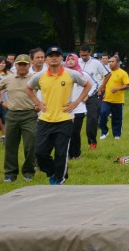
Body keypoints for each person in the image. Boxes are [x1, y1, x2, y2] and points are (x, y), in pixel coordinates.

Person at [27, 46, 93, 185]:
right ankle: (53, 172)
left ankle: (59, 179)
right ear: (46, 59)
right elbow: (28, 88)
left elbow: (88, 85)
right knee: (39, 152)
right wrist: (38, 103)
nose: (54, 58)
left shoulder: (71, 74)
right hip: (45, 119)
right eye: (51, 56)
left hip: (64, 119)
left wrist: (76, 102)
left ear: (62, 58)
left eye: (57, 55)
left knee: (61, 153)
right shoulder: (40, 76)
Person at [0, 55, 38, 182]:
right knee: (10, 145)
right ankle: (10, 174)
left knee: (30, 145)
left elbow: (46, 90)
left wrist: (40, 104)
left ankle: (28, 172)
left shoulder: (35, 78)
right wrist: (1, 102)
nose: (22, 67)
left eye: (25, 64)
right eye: (19, 64)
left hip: (29, 114)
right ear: (16, 65)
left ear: (29, 65)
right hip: (12, 114)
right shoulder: (9, 78)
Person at [77, 45, 109, 151]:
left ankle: (92, 142)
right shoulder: (76, 62)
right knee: (76, 119)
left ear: (90, 53)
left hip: (93, 93)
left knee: (92, 119)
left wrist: (102, 86)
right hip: (78, 94)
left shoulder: (96, 63)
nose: (83, 57)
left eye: (85, 55)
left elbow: (108, 74)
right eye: (82, 55)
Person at [98, 56, 129, 140]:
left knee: (117, 118)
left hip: (118, 100)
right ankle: (104, 132)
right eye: (109, 62)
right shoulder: (107, 73)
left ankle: (117, 134)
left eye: (112, 61)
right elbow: (104, 84)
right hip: (106, 99)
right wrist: (101, 90)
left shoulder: (123, 73)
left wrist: (117, 89)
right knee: (102, 114)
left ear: (118, 63)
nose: (110, 63)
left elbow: (127, 85)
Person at [63, 54, 88, 159]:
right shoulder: (63, 74)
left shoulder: (82, 74)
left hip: (78, 108)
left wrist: (86, 96)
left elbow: (91, 85)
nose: (70, 61)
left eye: (73, 59)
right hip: (66, 108)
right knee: (66, 132)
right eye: (68, 59)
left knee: (75, 132)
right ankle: (68, 154)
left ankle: (76, 153)